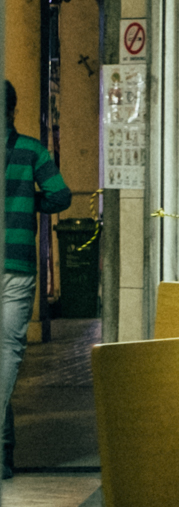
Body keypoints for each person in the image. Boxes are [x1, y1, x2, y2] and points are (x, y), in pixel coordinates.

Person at [0, 83, 70, 481]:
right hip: (18, 268)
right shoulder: (31, 151)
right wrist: (31, 201)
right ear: (13, 110)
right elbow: (61, 197)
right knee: (7, 357)